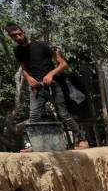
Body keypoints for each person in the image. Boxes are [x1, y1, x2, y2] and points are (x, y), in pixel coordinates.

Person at [4, 23, 88, 151]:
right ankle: (35, 145)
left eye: (19, 34)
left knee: (64, 114)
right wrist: (28, 78)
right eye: (13, 36)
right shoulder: (18, 51)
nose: (17, 37)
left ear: (24, 32)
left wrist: (50, 74)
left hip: (53, 85)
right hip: (36, 88)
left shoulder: (41, 46)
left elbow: (63, 64)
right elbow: (24, 68)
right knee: (34, 117)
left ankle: (82, 140)